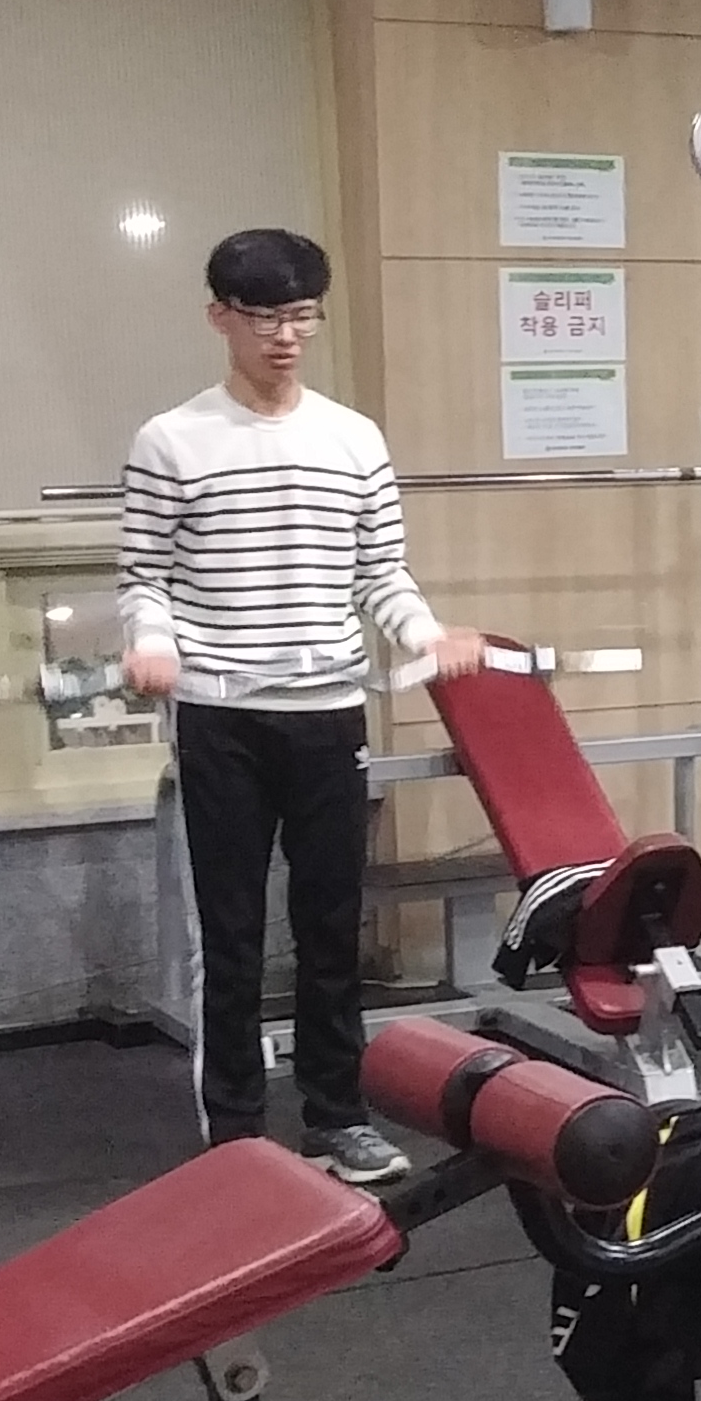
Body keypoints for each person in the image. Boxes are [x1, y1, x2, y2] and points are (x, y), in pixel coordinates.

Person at [121, 227, 484, 1182]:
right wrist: (153, 642)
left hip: (328, 713)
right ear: (220, 318)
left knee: (332, 928)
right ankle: (238, 1134)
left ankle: (336, 1117)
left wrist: (424, 635)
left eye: (302, 316)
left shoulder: (352, 438)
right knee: (231, 933)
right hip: (221, 716)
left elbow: (381, 572)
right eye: (264, 318)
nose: (285, 336)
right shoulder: (171, 439)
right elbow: (143, 576)